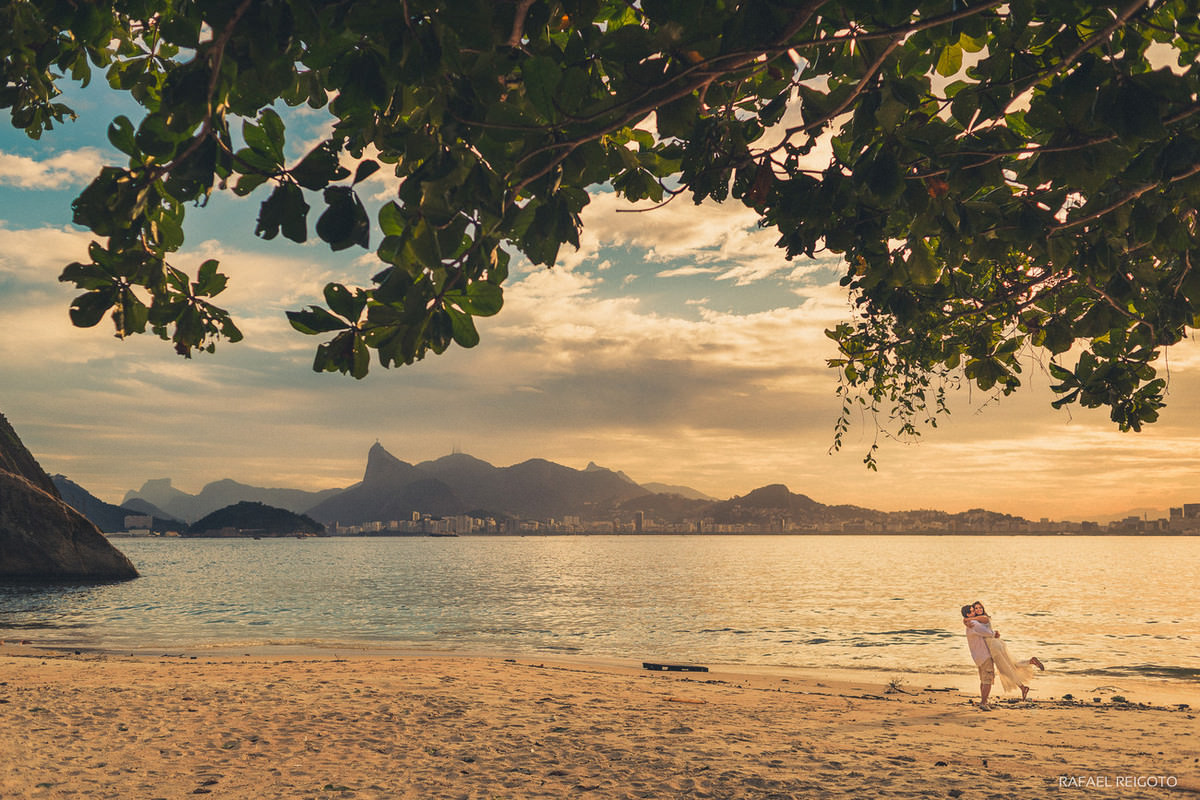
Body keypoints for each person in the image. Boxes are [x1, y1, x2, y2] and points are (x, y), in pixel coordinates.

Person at [961, 601, 1044, 709]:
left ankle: (1021, 688)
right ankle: (1029, 663)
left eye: (979, 608)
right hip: (994, 646)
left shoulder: (980, 619)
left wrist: (968, 619)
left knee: (1004, 669)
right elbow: (986, 630)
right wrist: (966, 620)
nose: (977, 610)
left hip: (993, 646)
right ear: (970, 613)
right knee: (1010, 664)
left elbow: (986, 626)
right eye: (975, 609)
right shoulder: (974, 622)